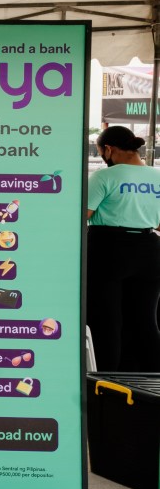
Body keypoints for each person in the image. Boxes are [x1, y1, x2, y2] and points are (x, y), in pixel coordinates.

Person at [84, 125, 160, 371]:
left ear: (108, 149)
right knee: (145, 319)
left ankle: (107, 379)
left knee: (106, 320)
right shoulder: (157, 176)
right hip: (149, 249)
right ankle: (151, 378)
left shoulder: (104, 177)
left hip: (108, 248)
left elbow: (83, 215)